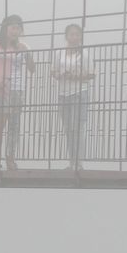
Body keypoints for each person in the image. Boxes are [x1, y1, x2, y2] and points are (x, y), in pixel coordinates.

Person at [0, 14, 33, 171]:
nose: (15, 31)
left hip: (11, 91)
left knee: (0, 127)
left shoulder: (21, 46)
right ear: (5, 28)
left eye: (18, 28)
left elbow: (32, 69)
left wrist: (26, 52)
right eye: (12, 27)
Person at [50, 22, 94, 170]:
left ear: (80, 37)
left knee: (78, 128)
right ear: (66, 36)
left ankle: (78, 162)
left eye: (77, 34)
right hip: (63, 94)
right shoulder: (59, 53)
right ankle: (72, 162)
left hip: (79, 93)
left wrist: (75, 76)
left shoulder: (85, 53)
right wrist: (60, 74)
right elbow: (53, 71)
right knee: (68, 128)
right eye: (71, 34)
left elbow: (90, 74)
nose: (74, 37)